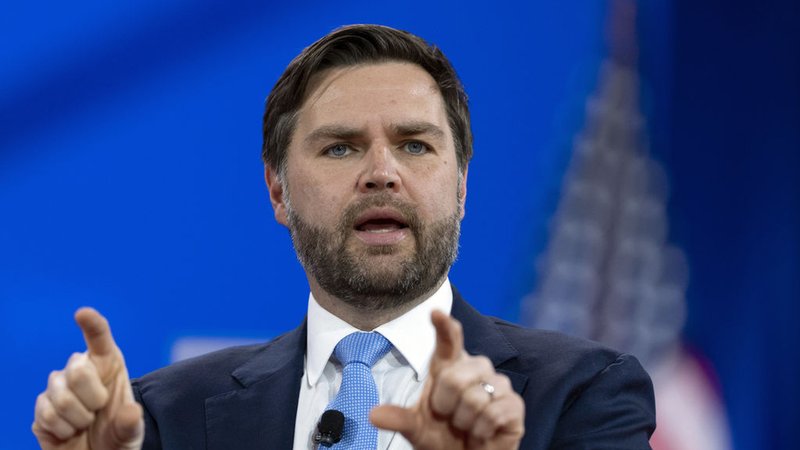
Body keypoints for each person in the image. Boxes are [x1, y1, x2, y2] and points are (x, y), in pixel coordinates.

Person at [32, 24, 656, 450]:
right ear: (278, 192)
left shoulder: (583, 393)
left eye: (415, 145)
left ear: (462, 186)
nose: (382, 173)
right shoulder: (167, 416)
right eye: (340, 148)